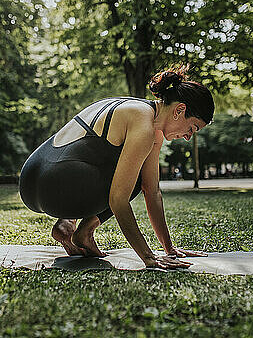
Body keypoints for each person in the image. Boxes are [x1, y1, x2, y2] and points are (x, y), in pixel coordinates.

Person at [18, 64, 215, 269]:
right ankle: (82, 230)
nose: (187, 136)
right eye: (192, 128)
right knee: (133, 177)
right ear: (179, 110)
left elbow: (152, 191)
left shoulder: (139, 110)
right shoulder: (144, 126)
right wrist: (148, 257)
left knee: (137, 175)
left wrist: (169, 248)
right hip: (54, 185)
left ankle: (69, 223)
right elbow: (118, 199)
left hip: (31, 179)